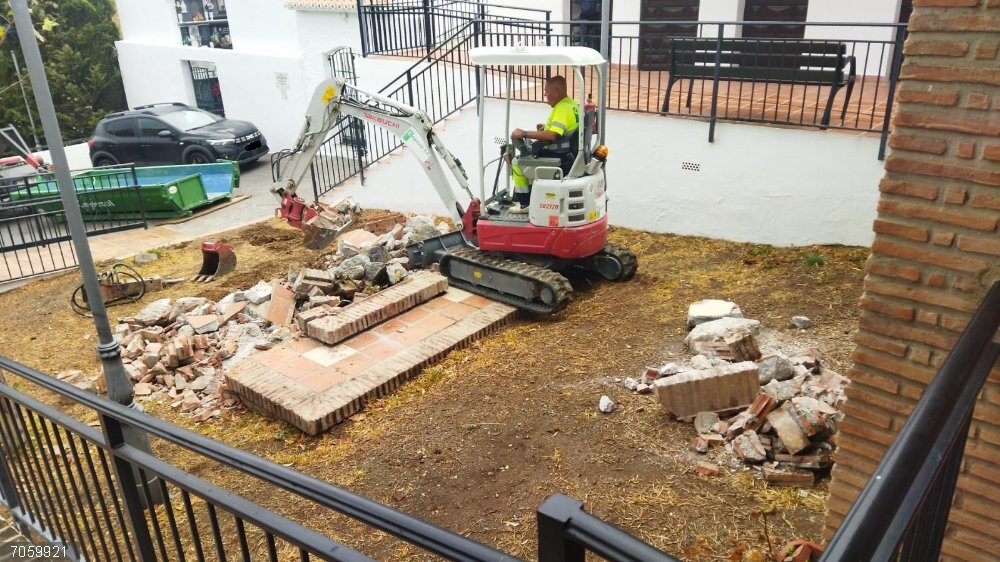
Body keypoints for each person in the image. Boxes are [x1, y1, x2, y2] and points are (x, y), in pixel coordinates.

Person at [508, 75, 579, 213]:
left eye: (546, 91)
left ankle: (525, 204)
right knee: (527, 157)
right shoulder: (571, 104)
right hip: (568, 152)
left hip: (559, 155)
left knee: (517, 162)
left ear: (556, 92)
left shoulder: (562, 108)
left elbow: (552, 135)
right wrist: (544, 130)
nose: (545, 94)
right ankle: (532, 197)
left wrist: (524, 133)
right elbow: (558, 131)